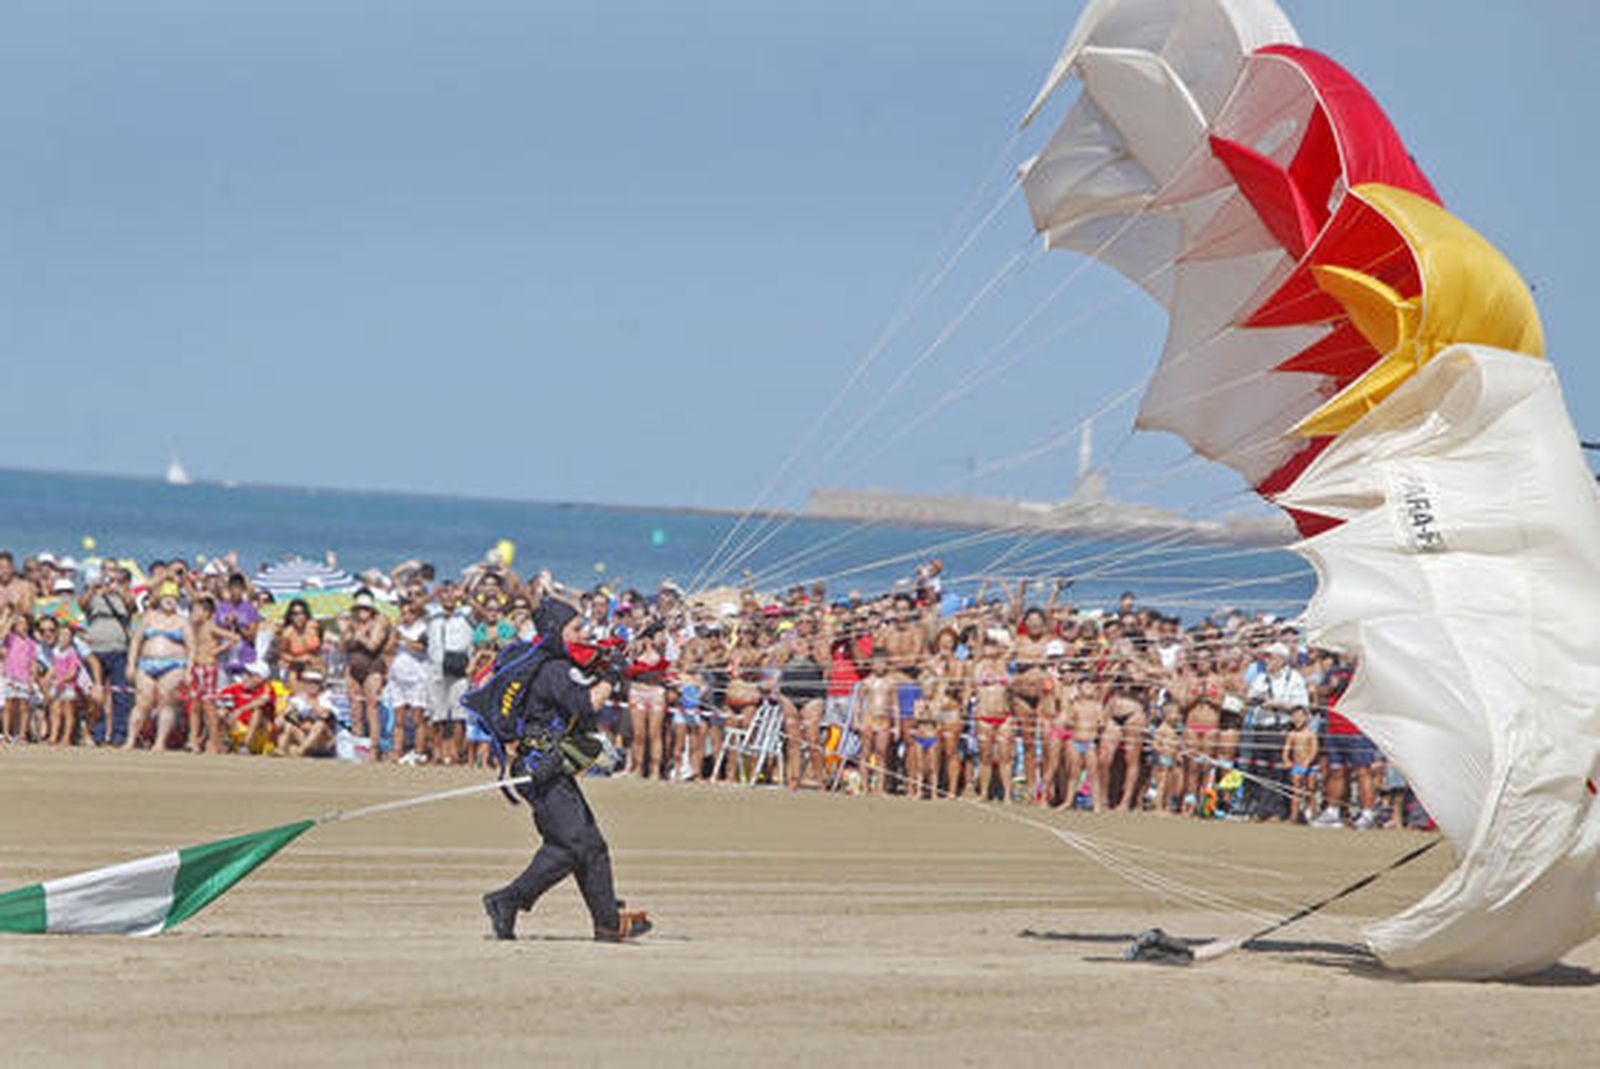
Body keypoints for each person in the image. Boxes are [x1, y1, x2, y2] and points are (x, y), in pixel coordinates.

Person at [481, 598, 651, 943]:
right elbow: (585, 704)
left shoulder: (554, 663)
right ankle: (508, 899)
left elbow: (587, 671)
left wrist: (620, 658)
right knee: (572, 844)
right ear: (556, 631)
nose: (582, 634)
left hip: (551, 764)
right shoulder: (551, 669)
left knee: (592, 845)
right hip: (540, 768)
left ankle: (607, 923)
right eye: (575, 628)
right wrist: (613, 676)